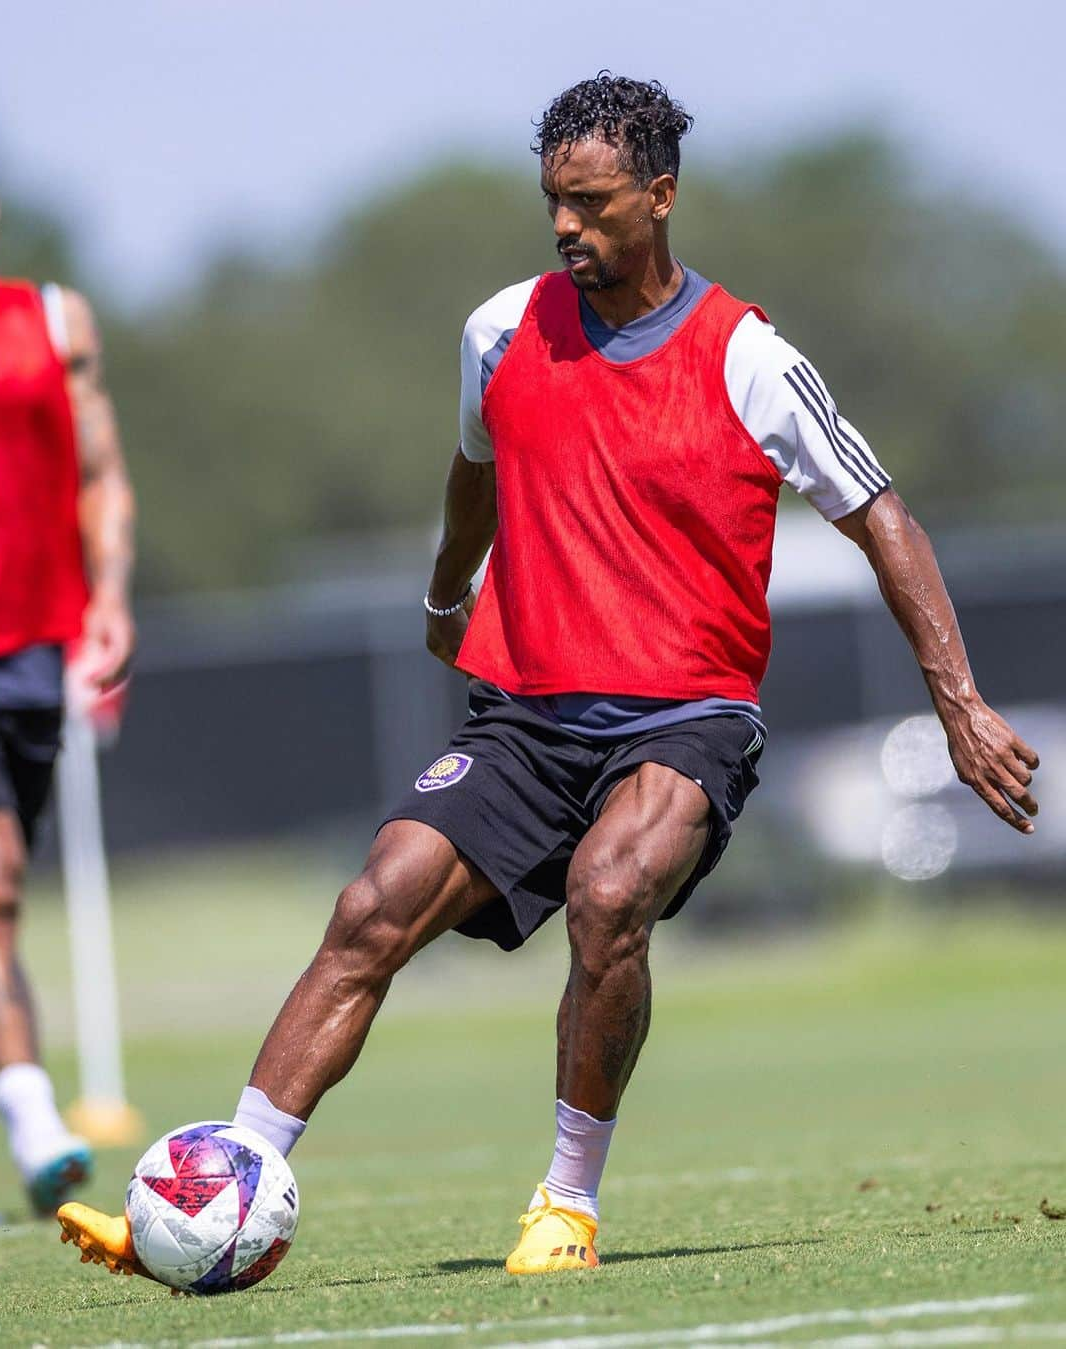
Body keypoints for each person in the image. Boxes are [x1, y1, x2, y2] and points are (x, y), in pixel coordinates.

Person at [58, 74, 1038, 1277]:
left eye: (591, 202)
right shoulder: (501, 328)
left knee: (609, 888)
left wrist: (960, 701)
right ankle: (229, 1179)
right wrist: (443, 592)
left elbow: (881, 516)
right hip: (526, 712)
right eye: (552, 204)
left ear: (661, 196)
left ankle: (566, 1201)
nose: (566, 226)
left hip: (688, 716)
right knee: (374, 902)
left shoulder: (751, 359)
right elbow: (475, 465)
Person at [0, 185, 136, 1215]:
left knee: (2, 902)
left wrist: (111, 596)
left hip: (32, 651)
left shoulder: (49, 318)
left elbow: (101, 471)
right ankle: (34, 1113)